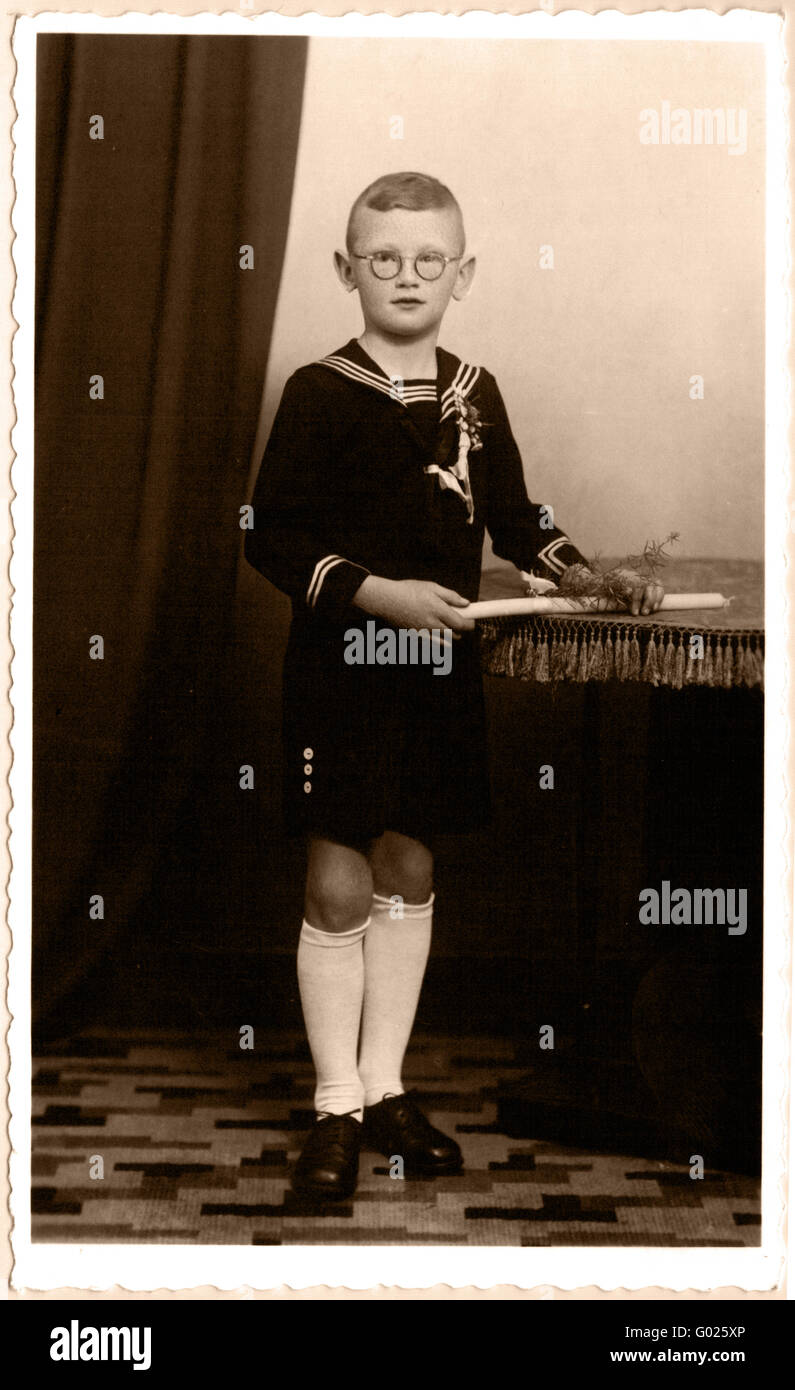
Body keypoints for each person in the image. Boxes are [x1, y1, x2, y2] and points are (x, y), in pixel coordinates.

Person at [245, 171, 664, 1201]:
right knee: (337, 882)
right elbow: (272, 536)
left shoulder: (477, 391)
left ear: (463, 273)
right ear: (346, 269)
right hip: (342, 671)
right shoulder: (317, 389)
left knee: (410, 871)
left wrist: (586, 575)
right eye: (382, 257)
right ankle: (335, 1105)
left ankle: (388, 1089)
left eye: (429, 258)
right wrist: (379, 593)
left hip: (437, 678)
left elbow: (518, 519)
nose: (405, 276)